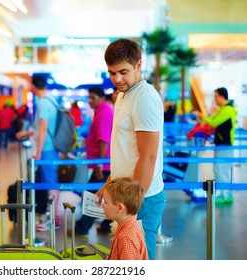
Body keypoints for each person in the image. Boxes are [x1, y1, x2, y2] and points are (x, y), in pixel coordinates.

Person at [96, 38, 166, 260]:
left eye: (123, 72)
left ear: (138, 65)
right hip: (127, 195)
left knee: (139, 263)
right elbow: (124, 150)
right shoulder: (124, 96)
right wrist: (110, 183)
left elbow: (148, 157)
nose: (117, 79)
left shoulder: (144, 98)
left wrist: (131, 207)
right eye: (112, 73)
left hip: (141, 199)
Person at [16, 74, 61, 231]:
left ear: (33, 85)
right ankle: (53, 217)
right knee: (51, 181)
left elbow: (43, 128)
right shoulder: (51, 100)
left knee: (51, 183)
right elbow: (42, 128)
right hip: (52, 147)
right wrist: (26, 134)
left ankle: (53, 220)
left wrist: (39, 151)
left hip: (47, 149)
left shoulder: (42, 103)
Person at [73, 86, 113, 236]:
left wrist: (99, 165)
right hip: (106, 163)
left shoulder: (103, 113)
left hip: (104, 164)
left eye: (93, 98)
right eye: (89, 98)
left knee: (92, 196)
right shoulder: (101, 112)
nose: (90, 101)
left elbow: (103, 141)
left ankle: (82, 228)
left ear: (102, 99)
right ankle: (106, 227)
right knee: (108, 196)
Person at [195, 87, 237, 204]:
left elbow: (214, 122)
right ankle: (223, 194)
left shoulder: (227, 110)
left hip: (225, 145)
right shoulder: (223, 109)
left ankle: (225, 196)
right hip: (221, 144)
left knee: (221, 170)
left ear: (222, 96)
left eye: (215, 96)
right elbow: (215, 121)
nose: (214, 99)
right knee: (219, 169)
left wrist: (201, 116)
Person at [102, 177, 148, 260]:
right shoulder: (129, 225)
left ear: (120, 208)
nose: (102, 205)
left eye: (105, 202)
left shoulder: (126, 239)